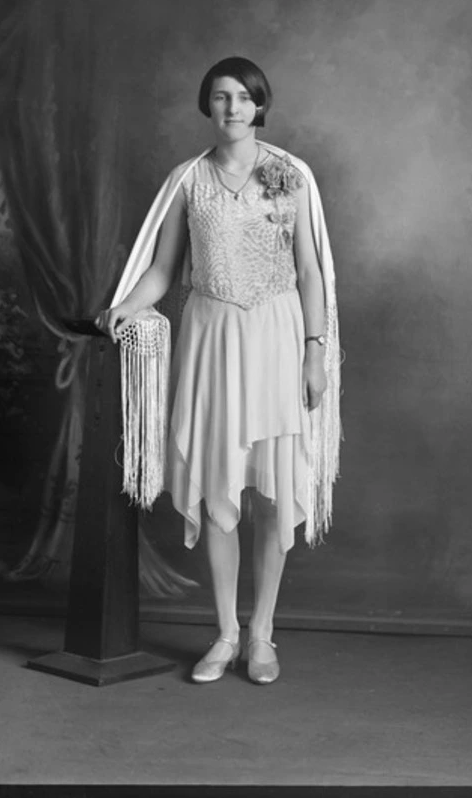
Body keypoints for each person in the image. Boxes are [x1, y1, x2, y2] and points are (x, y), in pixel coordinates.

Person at [95, 56, 341, 685]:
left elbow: (311, 271)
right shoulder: (188, 180)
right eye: (220, 97)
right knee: (219, 494)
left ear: (261, 106)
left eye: (244, 98)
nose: (232, 108)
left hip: (279, 336)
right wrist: (123, 308)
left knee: (273, 491)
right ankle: (225, 632)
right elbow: (162, 269)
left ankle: (263, 636)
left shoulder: (290, 176)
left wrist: (315, 350)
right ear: (207, 106)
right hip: (211, 337)